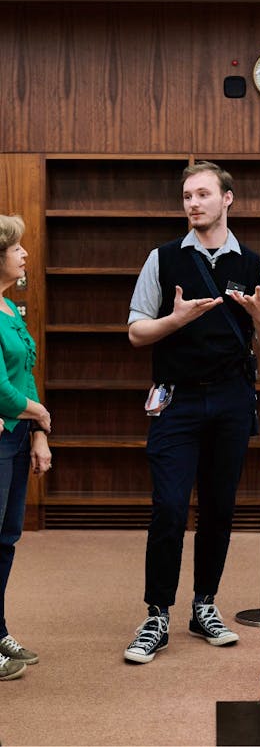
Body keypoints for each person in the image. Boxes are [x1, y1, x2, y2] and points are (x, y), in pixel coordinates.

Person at [125, 161, 260, 664]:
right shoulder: (162, 258)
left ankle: (204, 605)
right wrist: (174, 319)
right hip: (177, 400)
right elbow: (135, 332)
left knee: (219, 508)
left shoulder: (256, 265)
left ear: (227, 199)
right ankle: (156, 615)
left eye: (203, 194)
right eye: (187, 196)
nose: (193, 203)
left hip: (233, 400)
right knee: (170, 507)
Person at [0, 215, 52, 681]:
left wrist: (37, 432)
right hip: (1, 434)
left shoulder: (10, 309)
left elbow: (25, 373)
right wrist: (38, 413)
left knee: (5, 538)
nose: (25, 254)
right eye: (17, 248)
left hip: (16, 435)